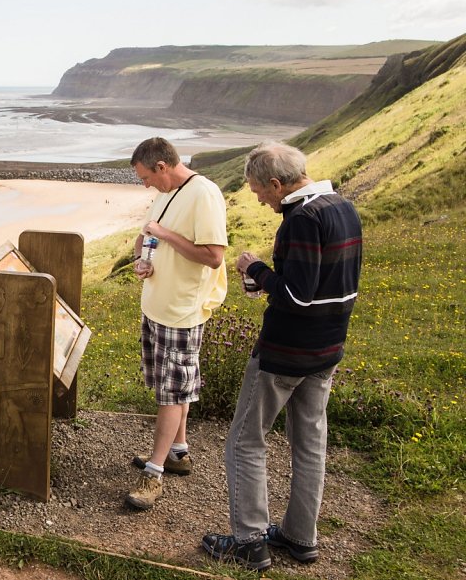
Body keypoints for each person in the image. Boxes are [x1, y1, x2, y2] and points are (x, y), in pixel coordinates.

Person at [201, 141, 363, 571]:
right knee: (310, 441)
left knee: (245, 441)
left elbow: (297, 295)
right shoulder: (342, 207)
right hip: (328, 347)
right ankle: (299, 536)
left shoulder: (301, 220)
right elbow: (326, 283)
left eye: (258, 190)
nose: (257, 197)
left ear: (277, 183)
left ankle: (249, 542)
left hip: (286, 350)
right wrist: (271, 281)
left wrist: (253, 268)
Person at [125, 137, 228, 510]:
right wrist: (143, 259)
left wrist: (165, 235)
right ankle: (178, 452)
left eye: (146, 177)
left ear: (163, 167)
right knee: (171, 388)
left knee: (172, 393)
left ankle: (153, 475)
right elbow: (147, 238)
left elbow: (214, 257)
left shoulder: (204, 194)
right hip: (156, 304)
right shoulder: (167, 192)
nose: (145, 184)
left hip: (182, 312)